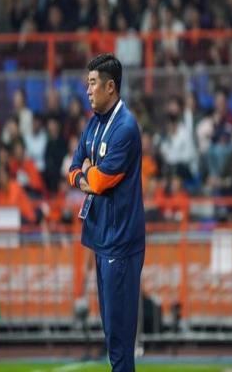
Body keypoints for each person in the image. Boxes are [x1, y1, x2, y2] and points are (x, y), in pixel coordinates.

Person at [68, 54, 145, 371]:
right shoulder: (93, 123)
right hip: (101, 239)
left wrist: (88, 173)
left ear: (110, 87)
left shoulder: (125, 128)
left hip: (121, 243)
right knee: (111, 332)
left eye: (92, 83)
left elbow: (99, 182)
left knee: (120, 336)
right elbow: (73, 169)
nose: (87, 90)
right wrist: (85, 174)